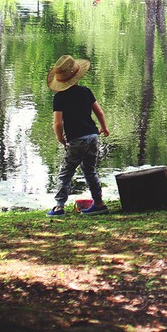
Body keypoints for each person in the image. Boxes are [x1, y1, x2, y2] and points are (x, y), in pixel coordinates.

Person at [46, 54, 110, 216]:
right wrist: (103, 128)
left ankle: (59, 207)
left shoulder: (59, 97)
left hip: (77, 139)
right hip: (93, 136)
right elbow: (99, 112)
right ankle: (99, 204)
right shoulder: (85, 91)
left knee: (66, 172)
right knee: (90, 170)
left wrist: (60, 137)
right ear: (76, 75)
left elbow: (58, 123)